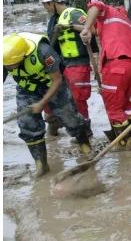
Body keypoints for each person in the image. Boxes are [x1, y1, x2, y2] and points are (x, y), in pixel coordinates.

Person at [3, 33, 93, 177]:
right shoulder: (5, 57)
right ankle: (41, 164)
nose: (7, 67)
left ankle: (85, 145)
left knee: (69, 114)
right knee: (27, 123)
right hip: (27, 87)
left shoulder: (44, 52)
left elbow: (57, 80)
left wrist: (42, 103)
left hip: (52, 83)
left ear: (22, 57)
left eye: (9, 65)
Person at [79, 0, 131, 149]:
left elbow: (95, 6)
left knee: (113, 106)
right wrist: (83, 27)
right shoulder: (122, 20)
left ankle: (124, 145)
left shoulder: (107, 11)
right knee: (125, 103)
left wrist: (86, 28)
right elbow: (98, 31)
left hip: (116, 64)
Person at [38, 0, 94, 127]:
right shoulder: (53, 20)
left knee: (78, 99)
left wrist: (70, 26)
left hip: (78, 63)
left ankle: (85, 129)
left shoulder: (74, 13)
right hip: (63, 65)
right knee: (57, 98)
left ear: (51, 2)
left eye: (45, 5)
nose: (46, 9)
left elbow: (94, 29)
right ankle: (57, 125)